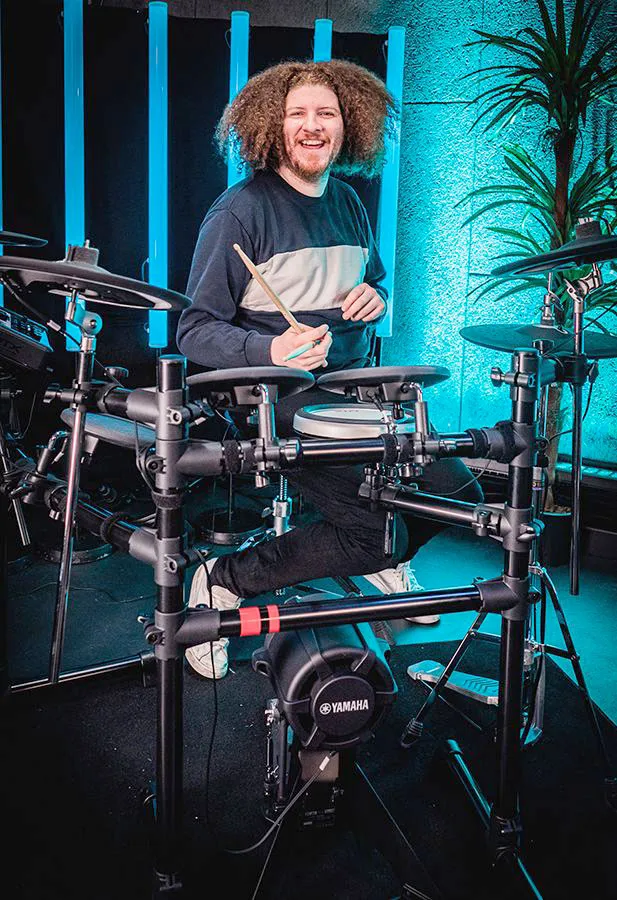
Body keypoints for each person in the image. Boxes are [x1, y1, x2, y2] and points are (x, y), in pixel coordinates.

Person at [177, 59, 481, 679]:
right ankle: (223, 579)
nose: (312, 126)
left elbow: (372, 281)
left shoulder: (347, 202)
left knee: (457, 492)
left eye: (327, 113)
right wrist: (271, 352)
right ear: (272, 124)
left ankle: (381, 557)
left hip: (353, 389)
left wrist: (376, 298)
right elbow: (194, 330)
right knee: (369, 531)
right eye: (298, 114)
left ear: (349, 125)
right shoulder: (239, 213)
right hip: (275, 396)